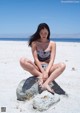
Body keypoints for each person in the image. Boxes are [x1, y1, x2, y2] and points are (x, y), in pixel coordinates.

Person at [20, 23, 66, 94]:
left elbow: (52, 60)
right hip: (37, 68)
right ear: (39, 33)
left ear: (48, 32)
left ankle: (46, 83)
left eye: (45, 33)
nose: (44, 35)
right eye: (41, 33)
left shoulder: (52, 44)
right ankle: (40, 75)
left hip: (49, 68)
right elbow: (36, 59)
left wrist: (46, 72)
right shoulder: (34, 43)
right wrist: (42, 72)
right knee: (22, 60)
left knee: (62, 65)